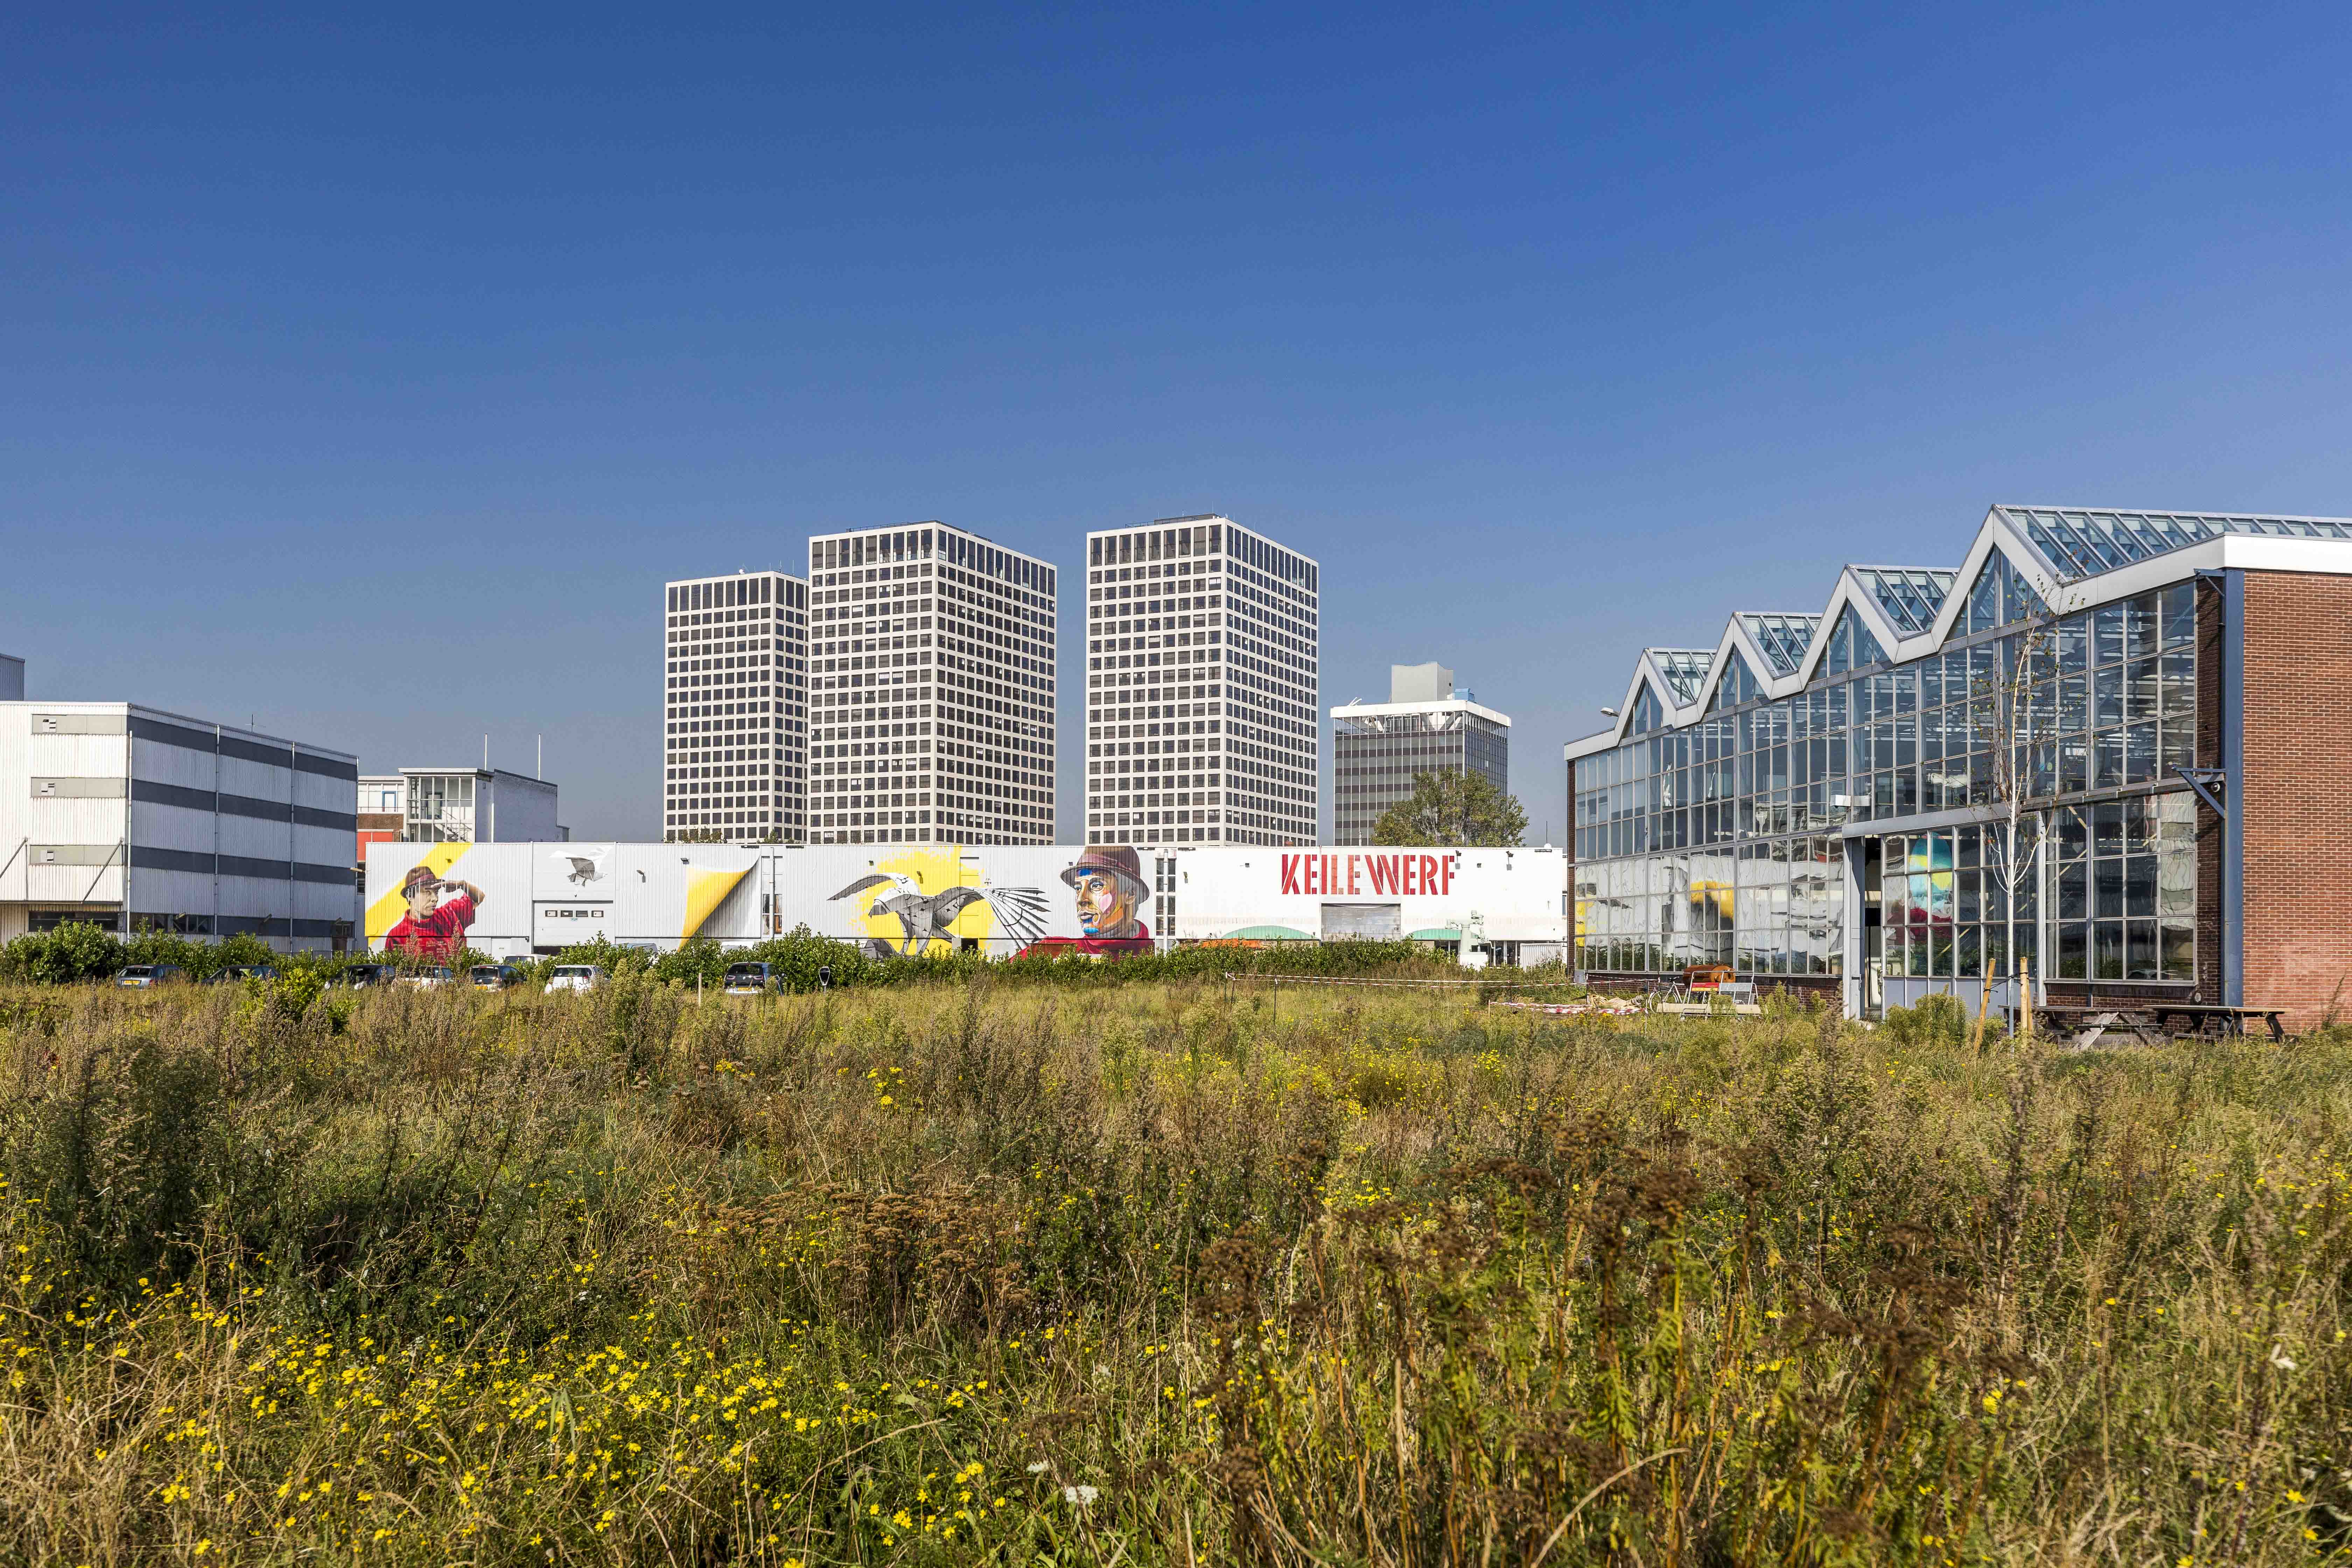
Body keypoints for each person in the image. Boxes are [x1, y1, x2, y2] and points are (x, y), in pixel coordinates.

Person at [1016, 846, 1153, 958]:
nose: (1082, 899)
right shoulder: (1050, 951)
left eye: (1096, 886)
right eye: (1078, 888)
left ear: (1130, 895)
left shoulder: (1155, 954)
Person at [384, 864, 485, 957]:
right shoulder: (397, 936)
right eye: (427, 892)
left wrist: (462, 885)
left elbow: (479, 897)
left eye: (436, 892)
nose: (435, 898)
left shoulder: (449, 914)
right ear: (410, 895)